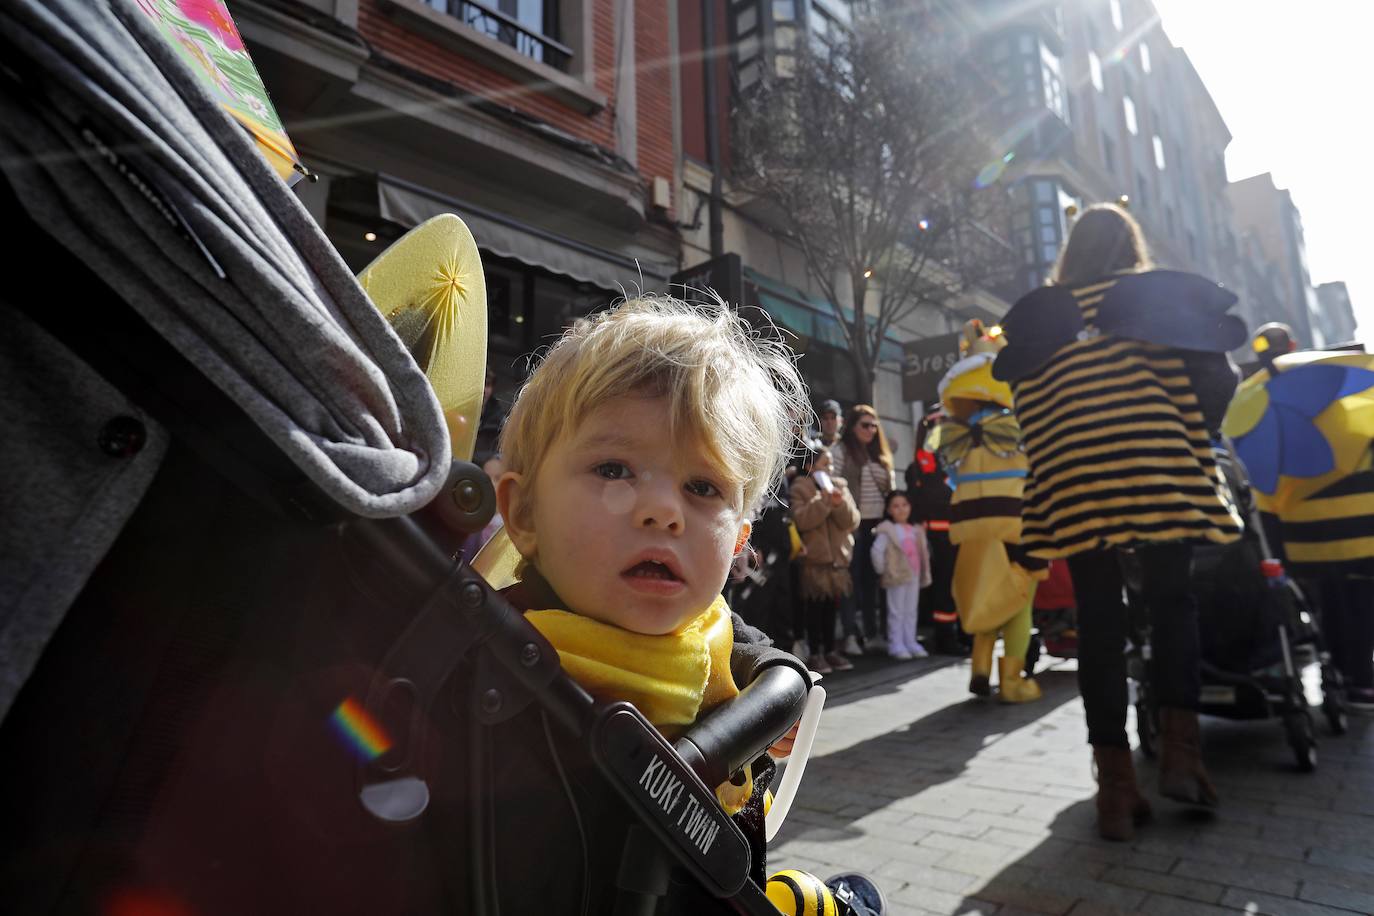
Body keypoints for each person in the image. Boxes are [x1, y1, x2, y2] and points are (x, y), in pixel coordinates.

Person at [492, 295, 813, 908]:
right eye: (614, 470)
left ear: (740, 539)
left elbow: (742, 637)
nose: (664, 511)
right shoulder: (496, 657)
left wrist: (777, 701)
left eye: (702, 486)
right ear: (524, 513)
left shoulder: (719, 638)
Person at [993, 203, 1245, 841]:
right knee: (1172, 601)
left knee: (1100, 626)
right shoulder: (1153, 299)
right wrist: (1196, 436)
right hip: (1157, 464)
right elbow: (1216, 373)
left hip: (1074, 480)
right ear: (1129, 248)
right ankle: (1184, 758)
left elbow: (1025, 404)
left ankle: (1115, 791)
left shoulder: (1041, 319)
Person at [828, 404, 896, 654]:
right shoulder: (841, 451)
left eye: (874, 425)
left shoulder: (882, 454)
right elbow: (832, 485)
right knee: (851, 582)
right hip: (851, 526)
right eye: (865, 425)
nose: (871, 430)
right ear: (852, 426)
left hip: (878, 526)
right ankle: (849, 635)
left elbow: (890, 491)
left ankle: (873, 633)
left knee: (875, 582)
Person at [791, 443, 859, 674]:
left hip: (837, 561)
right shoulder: (801, 487)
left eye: (831, 463)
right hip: (814, 562)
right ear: (810, 466)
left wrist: (838, 503)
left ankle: (831, 651)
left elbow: (852, 521)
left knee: (832, 608)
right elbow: (801, 520)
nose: (830, 468)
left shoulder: (840, 486)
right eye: (824, 463)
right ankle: (815, 653)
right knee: (814, 609)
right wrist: (823, 501)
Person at [869, 491, 932, 660]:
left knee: (911, 610)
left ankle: (910, 641)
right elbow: (876, 552)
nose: (901, 509)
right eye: (896, 506)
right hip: (895, 576)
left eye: (904, 505)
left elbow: (923, 552)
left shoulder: (916, 530)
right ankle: (896, 644)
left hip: (914, 575)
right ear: (889, 510)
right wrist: (883, 571)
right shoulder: (887, 530)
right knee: (896, 611)